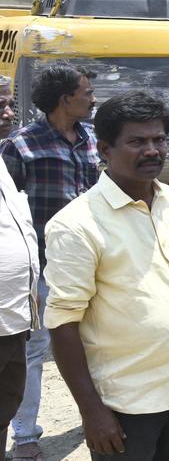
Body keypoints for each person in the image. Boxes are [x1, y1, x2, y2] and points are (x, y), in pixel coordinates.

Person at [44, 91, 169, 461]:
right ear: (105, 149)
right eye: (136, 142)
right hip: (125, 402)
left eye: (159, 140)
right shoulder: (76, 225)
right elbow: (62, 324)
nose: (152, 150)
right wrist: (92, 412)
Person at [0, 63, 99, 461]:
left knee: (98, 341)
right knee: (35, 351)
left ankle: (102, 416)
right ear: (65, 99)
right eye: (87, 92)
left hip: (92, 261)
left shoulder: (92, 138)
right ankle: (26, 436)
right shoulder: (22, 144)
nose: (93, 98)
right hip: (44, 268)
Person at [0, 145, 38, 452]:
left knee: (5, 406)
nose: (9, 112)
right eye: (0, 104)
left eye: (11, 103)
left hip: (13, 317)